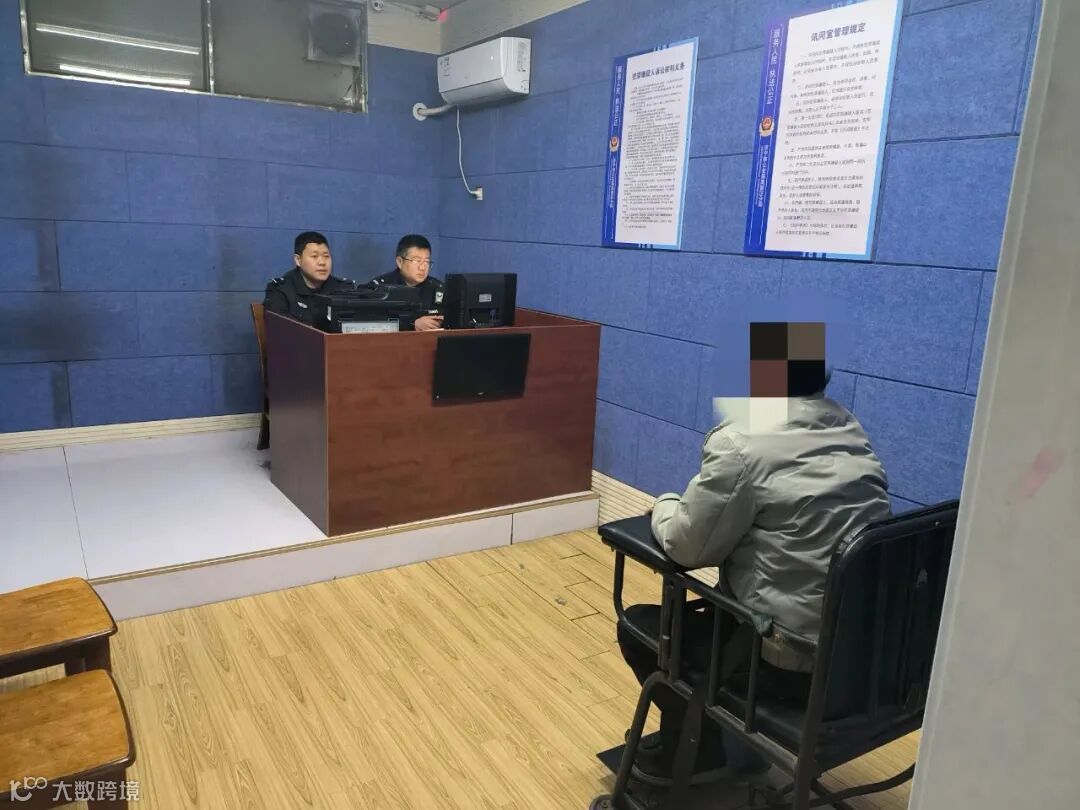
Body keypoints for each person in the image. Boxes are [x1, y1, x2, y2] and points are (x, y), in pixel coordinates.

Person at [617, 367, 891, 786]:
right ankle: (719, 742)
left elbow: (686, 546)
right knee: (722, 615)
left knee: (638, 627)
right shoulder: (851, 432)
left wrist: (665, 503)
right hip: (858, 665)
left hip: (786, 666)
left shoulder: (741, 443)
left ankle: (701, 751)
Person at [263, 232, 357, 325]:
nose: (322, 262)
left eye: (326, 256)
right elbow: (279, 329)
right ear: (298, 260)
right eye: (314, 256)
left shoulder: (343, 289)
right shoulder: (281, 290)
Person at [368, 234, 445, 331]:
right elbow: (369, 321)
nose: (422, 267)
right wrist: (412, 324)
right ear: (400, 262)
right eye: (417, 261)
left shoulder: (438, 288)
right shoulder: (378, 288)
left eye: (426, 262)